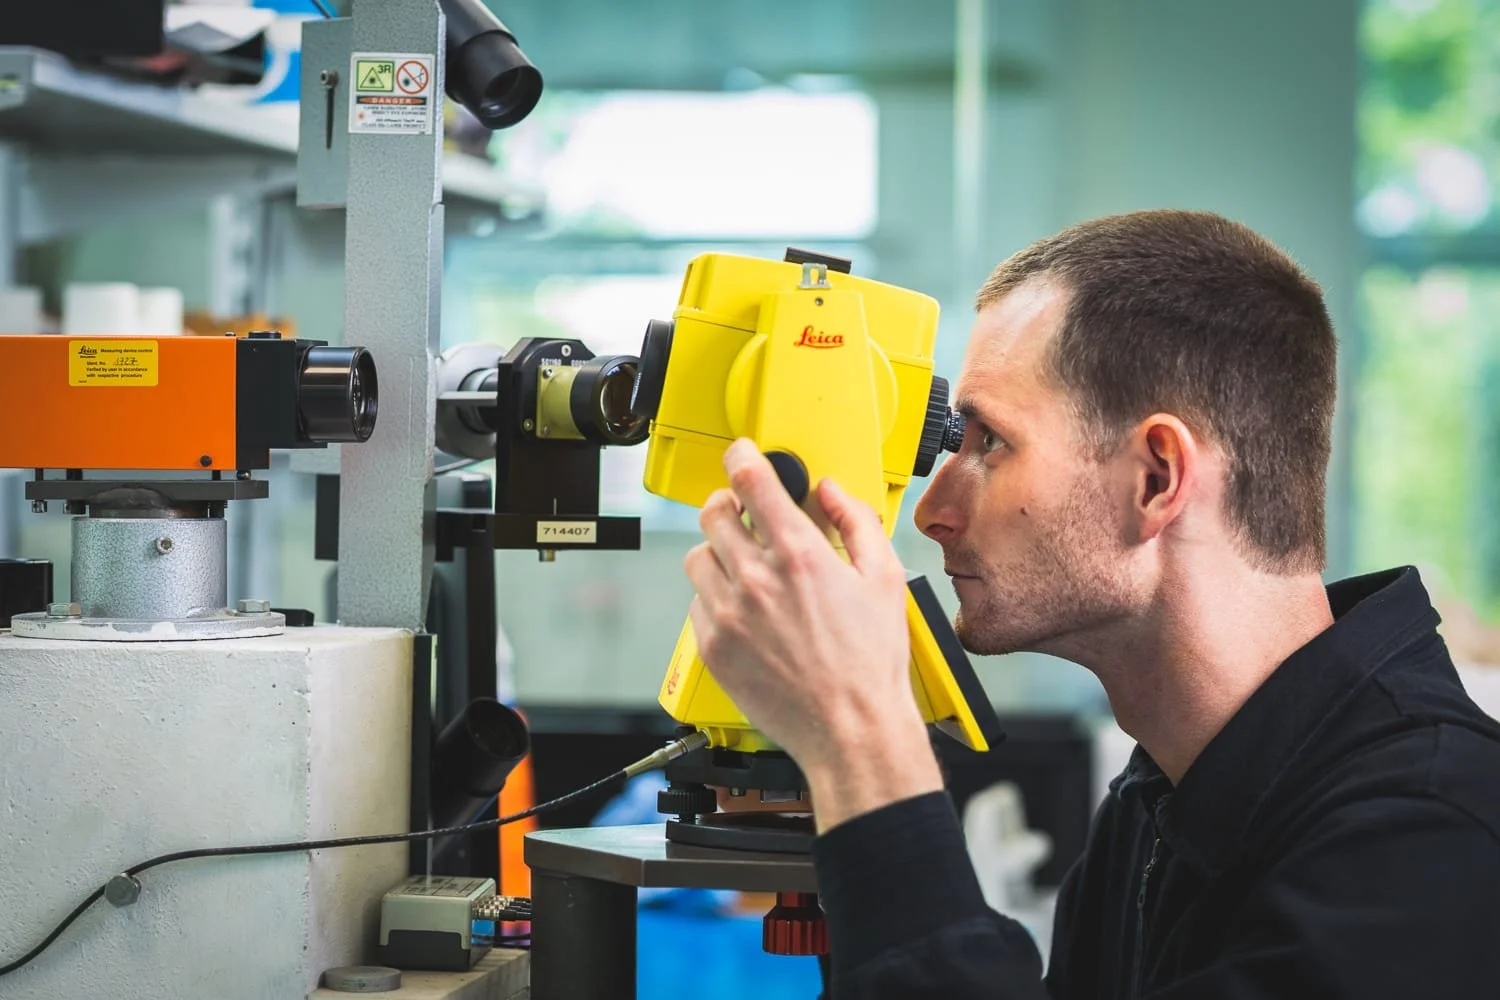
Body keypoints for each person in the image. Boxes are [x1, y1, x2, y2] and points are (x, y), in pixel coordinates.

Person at [682, 209, 1500, 998]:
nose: (931, 510)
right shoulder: (1162, 804)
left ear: (1156, 479)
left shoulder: (1429, 837)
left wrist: (860, 739)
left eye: (988, 442)